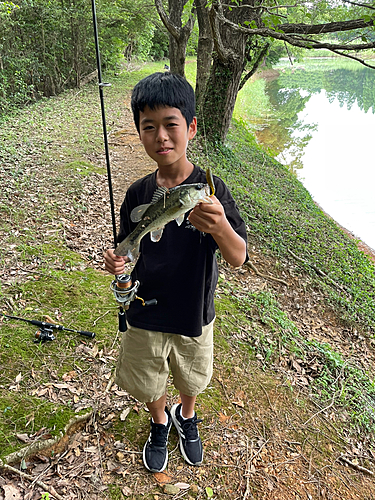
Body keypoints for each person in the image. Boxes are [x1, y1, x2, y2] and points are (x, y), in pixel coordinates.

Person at [104, 71, 247, 473]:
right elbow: (129, 243)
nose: (161, 137)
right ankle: (160, 420)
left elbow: (238, 257)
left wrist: (219, 227)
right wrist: (120, 263)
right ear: (139, 132)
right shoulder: (137, 193)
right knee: (148, 378)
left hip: (193, 310)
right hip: (146, 308)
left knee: (191, 376)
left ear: (191, 128)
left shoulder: (210, 188)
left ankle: (186, 414)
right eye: (149, 127)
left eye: (171, 125)